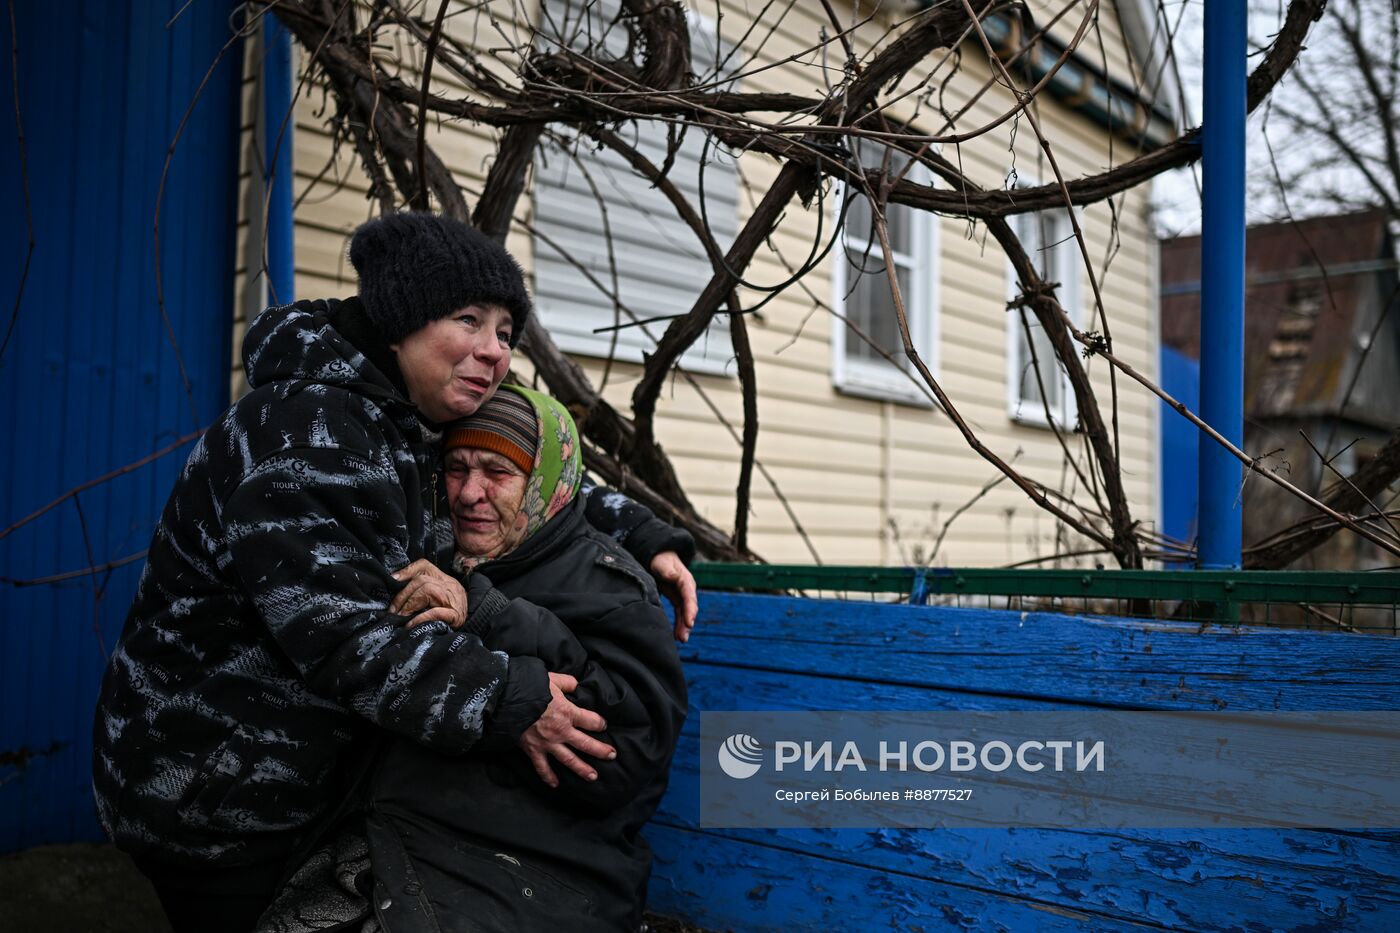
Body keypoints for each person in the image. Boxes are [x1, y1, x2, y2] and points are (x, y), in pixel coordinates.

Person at [92, 213, 695, 932]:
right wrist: (514, 700)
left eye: (506, 330)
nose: (492, 350)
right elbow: (351, 638)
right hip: (214, 788)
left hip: (297, 779)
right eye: (467, 319)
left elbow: (536, 475)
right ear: (400, 319)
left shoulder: (401, 416)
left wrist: (644, 533)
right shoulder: (306, 432)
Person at [258, 385, 686, 933]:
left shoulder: (612, 590)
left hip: (535, 875)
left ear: (545, 484)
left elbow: (619, 761)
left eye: (498, 473)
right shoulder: (443, 551)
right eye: (456, 468)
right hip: (399, 843)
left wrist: (491, 619)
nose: (468, 493)